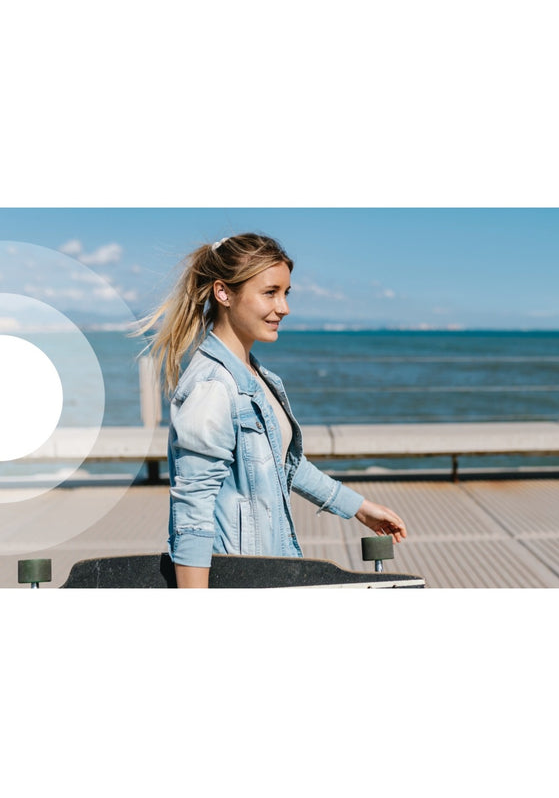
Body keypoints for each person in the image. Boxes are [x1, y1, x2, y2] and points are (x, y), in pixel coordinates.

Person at [139, 232, 407, 588]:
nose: (284, 307)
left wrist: (358, 507)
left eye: (285, 293)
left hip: (270, 572)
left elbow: (282, 464)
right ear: (223, 293)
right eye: (270, 293)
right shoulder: (213, 387)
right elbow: (193, 512)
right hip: (239, 581)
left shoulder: (254, 375)